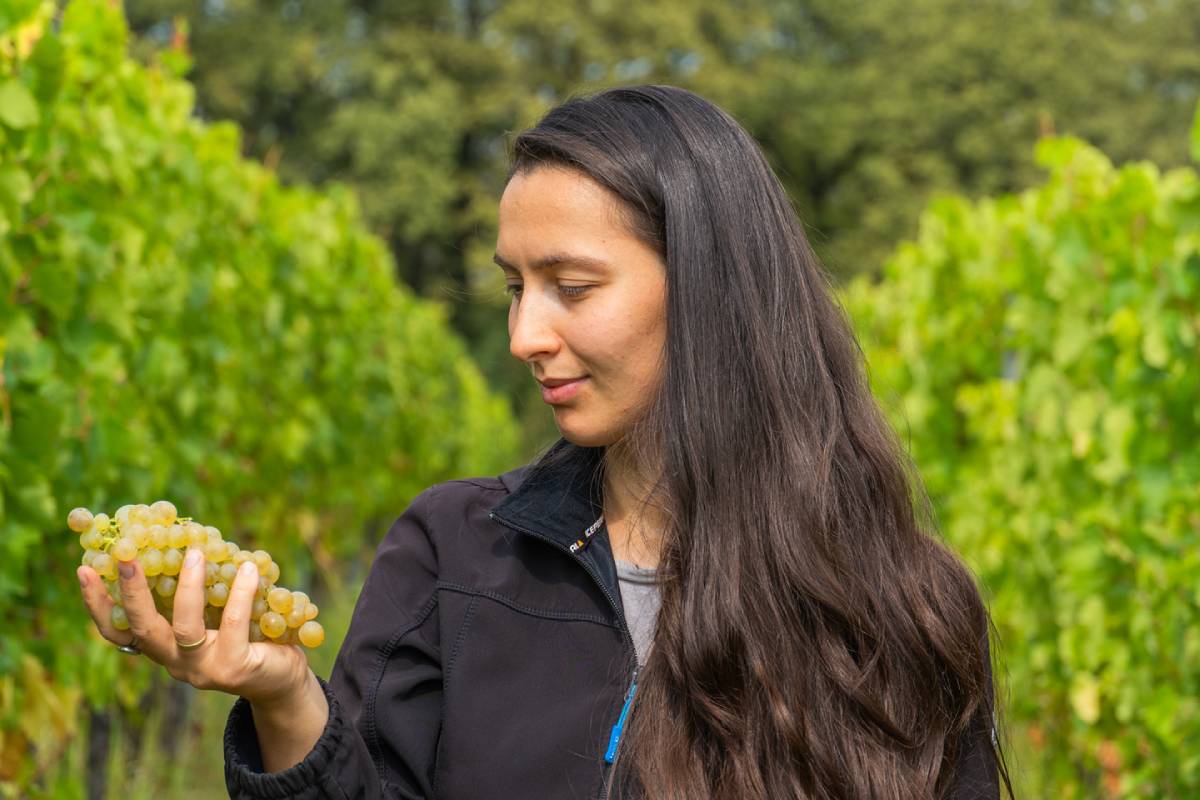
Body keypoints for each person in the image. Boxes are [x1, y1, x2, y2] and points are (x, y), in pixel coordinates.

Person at [77, 84, 1014, 799]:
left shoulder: (902, 607)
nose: (525, 334)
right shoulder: (451, 555)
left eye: (572, 287)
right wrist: (285, 699)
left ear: (708, 290)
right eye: (514, 288)